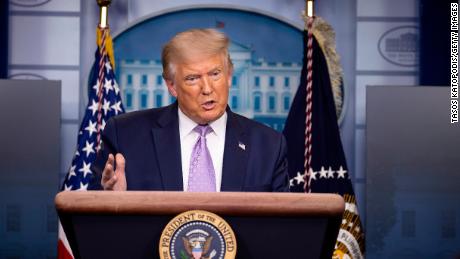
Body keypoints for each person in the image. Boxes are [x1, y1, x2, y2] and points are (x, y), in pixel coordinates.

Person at [89, 28, 289, 192]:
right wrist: (111, 202)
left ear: (229, 76)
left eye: (215, 74)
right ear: (172, 86)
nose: (207, 89)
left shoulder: (269, 145)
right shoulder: (125, 136)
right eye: (193, 78)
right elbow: (92, 223)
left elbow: (281, 228)